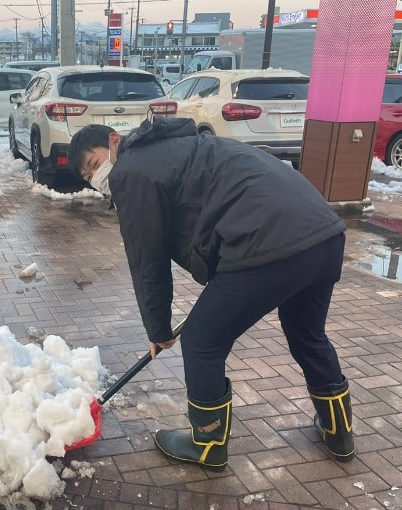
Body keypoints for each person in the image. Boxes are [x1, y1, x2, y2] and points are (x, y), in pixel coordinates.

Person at [67, 117, 355, 472]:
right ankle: (339, 431)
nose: (97, 177)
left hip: (270, 241)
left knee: (203, 339)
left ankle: (207, 443)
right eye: (87, 176)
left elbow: (147, 260)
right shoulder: (179, 147)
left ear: (114, 141)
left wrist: (157, 328)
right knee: (307, 335)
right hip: (322, 235)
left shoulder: (132, 170)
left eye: (95, 164)